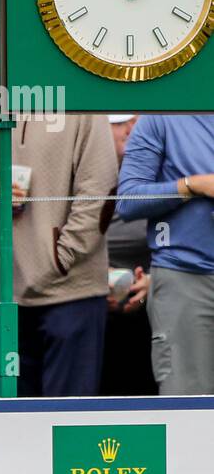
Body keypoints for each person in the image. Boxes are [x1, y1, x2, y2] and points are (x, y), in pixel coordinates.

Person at [0, 103, 115, 397]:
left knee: (69, 422)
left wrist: (60, 258)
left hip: (73, 292)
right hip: (12, 299)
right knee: (19, 424)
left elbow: (99, 194)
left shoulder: (84, 109)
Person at [116, 113, 214, 395]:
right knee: (190, 403)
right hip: (187, 277)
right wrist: (191, 185)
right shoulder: (161, 116)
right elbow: (128, 200)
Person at [100, 114, 155, 396]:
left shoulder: (163, 168)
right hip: (91, 303)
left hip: (154, 305)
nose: (132, 128)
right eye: (121, 122)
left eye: (137, 120)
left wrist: (153, 282)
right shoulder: (82, 170)